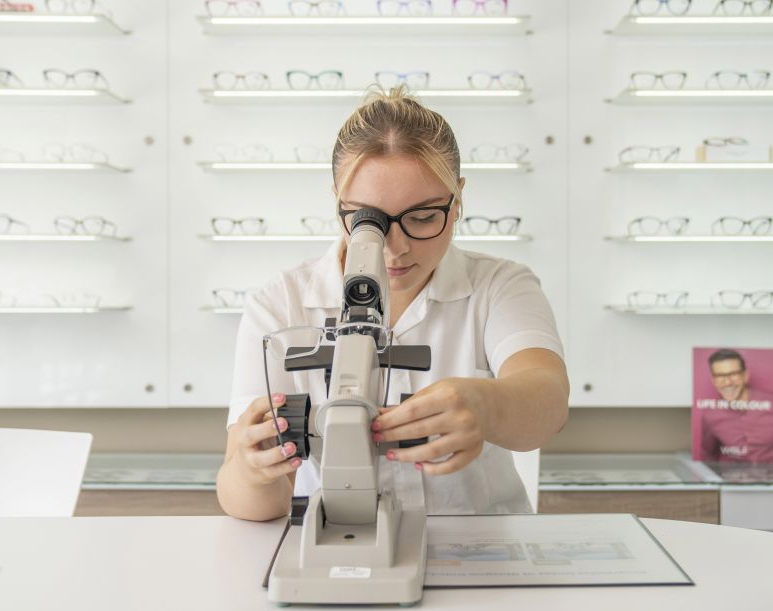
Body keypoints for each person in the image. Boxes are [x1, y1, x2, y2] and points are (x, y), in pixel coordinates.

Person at [216, 86, 570, 521]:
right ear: (338, 204)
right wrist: (255, 473)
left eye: (423, 217)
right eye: (368, 221)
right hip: (335, 545)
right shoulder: (279, 305)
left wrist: (487, 406)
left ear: (457, 200)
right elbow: (248, 500)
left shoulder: (499, 286)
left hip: (477, 547)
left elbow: (548, 400)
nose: (395, 248)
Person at [700, 349, 773, 462]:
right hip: (732, 478)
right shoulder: (710, 415)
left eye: (733, 374)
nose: (728, 382)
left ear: (745, 375)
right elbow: (708, 455)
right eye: (720, 376)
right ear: (713, 380)